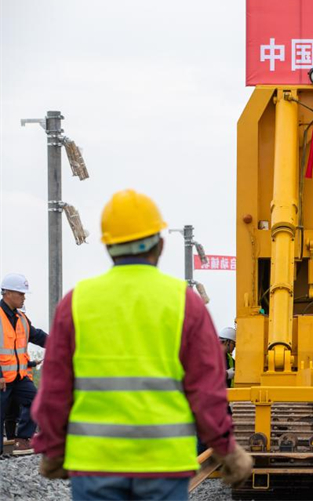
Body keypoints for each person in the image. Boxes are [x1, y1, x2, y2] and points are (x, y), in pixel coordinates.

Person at [32, 189, 253, 501]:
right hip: (163, 465)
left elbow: (55, 389)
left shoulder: (77, 302)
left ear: (108, 246)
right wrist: (226, 450)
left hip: (95, 463)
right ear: (160, 245)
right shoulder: (184, 303)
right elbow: (207, 391)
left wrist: (53, 449)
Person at [1, 273, 48, 455]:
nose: (24, 297)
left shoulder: (21, 318)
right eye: (21, 294)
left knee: (36, 400)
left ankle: (22, 440)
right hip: (2, 378)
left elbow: (37, 335)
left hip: (19, 377)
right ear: (8, 294)